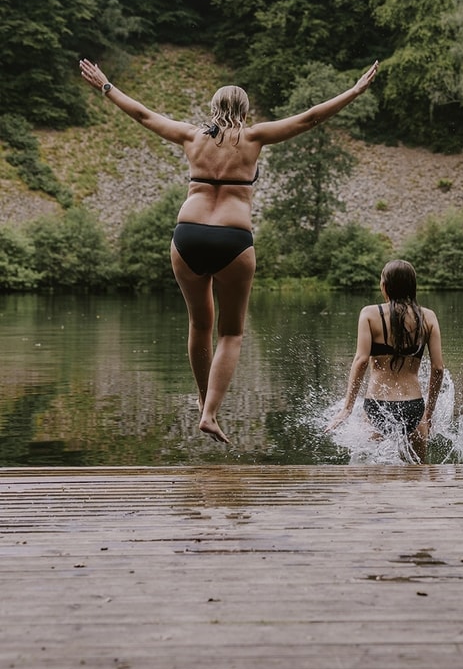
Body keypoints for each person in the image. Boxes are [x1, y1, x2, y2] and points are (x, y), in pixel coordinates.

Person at [79, 56, 378, 444]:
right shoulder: (254, 138)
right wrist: (353, 91)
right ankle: (211, 412)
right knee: (231, 333)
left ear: (213, 108)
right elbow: (309, 118)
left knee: (199, 324)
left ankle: (205, 404)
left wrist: (105, 85)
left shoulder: (191, 136)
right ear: (244, 110)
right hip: (232, 240)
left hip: (187, 235)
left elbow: (143, 114)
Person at [326, 259, 444, 461]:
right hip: (413, 405)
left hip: (377, 405)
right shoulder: (428, 317)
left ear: (385, 286)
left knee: (373, 473)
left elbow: (361, 361)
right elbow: (438, 368)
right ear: (412, 286)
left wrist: (347, 408)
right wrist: (429, 413)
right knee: (418, 470)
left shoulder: (370, 314)